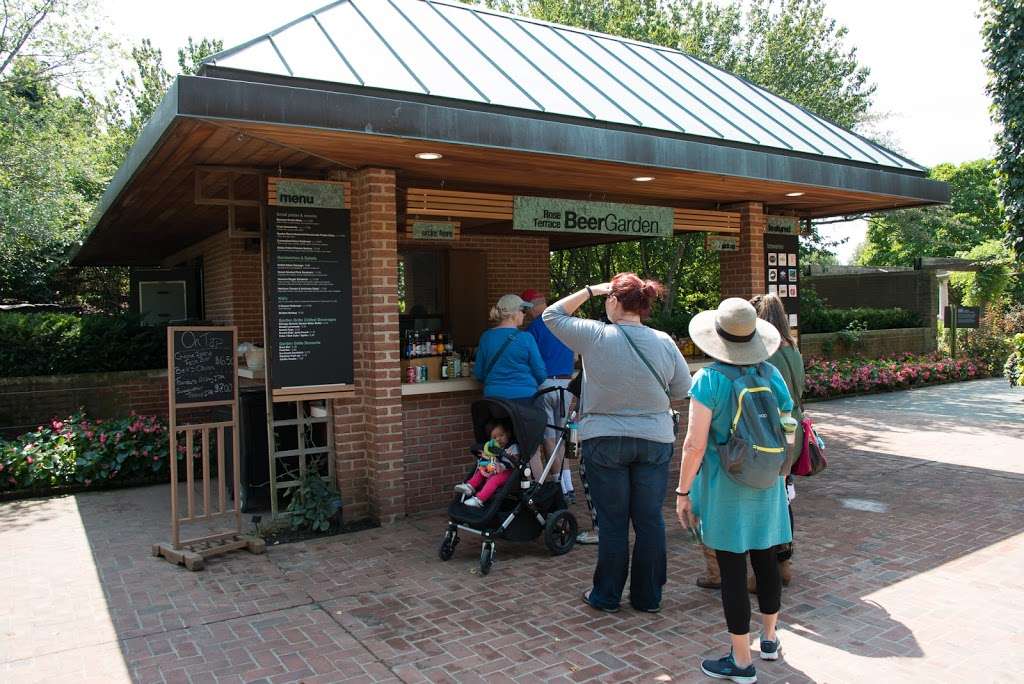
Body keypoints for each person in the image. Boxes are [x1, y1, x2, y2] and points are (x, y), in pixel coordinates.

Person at [543, 273, 692, 613]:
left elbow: (552, 315)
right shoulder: (664, 341)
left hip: (604, 440)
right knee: (650, 519)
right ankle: (648, 597)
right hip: (654, 440)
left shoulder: (595, 335)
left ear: (613, 300)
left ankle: (607, 595)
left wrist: (588, 289)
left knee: (613, 523)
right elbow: (683, 389)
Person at [676, 298, 794, 682]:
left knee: (732, 572)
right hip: (769, 481)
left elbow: (694, 445)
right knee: (766, 560)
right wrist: (780, 468)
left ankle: (742, 662)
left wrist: (682, 492)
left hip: (727, 486)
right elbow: (789, 426)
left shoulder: (709, 380)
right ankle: (771, 638)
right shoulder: (771, 374)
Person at [751, 293, 804, 589]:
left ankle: (766, 570)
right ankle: (784, 562)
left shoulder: (765, 353)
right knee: (784, 500)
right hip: (791, 434)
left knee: (767, 502)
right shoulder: (793, 348)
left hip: (769, 434)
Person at [521, 288, 577, 503]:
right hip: (566, 383)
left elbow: (529, 362)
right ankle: (568, 485)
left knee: (548, 437)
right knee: (561, 436)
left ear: (529, 307)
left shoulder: (532, 330)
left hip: (544, 384)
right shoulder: (565, 323)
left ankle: (557, 487)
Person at [473, 294, 546, 401]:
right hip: (524, 399)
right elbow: (541, 373)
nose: (524, 315)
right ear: (514, 314)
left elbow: (479, 373)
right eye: (523, 311)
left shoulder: (486, 337)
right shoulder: (526, 338)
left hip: (494, 400)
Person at [455, 420, 520, 507]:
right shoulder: (492, 447)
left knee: (494, 480)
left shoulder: (512, 446)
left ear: (508, 434)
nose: (498, 439)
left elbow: (515, 460)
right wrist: (486, 456)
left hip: (508, 471)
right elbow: (490, 459)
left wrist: (509, 459)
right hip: (495, 467)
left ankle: (479, 499)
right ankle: (470, 486)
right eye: (494, 437)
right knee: (481, 471)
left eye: (501, 435)